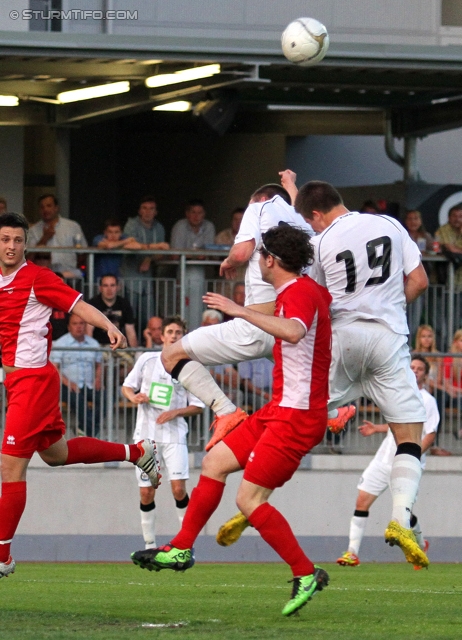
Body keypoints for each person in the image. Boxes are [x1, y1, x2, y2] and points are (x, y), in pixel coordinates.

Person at [132, 224, 332, 618]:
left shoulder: (299, 293)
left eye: (260, 256)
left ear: (271, 260)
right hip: (280, 409)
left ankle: (305, 572)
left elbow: (294, 331)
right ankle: (181, 548)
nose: (257, 263)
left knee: (248, 499)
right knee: (214, 462)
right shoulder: (304, 290)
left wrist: (240, 312)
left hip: (297, 417)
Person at [0, 212, 160, 579]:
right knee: (56, 455)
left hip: (34, 382)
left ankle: (2, 555)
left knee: (10, 467)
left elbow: (77, 305)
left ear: (26, 244)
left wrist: (107, 324)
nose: (11, 246)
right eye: (5, 239)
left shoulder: (38, 279)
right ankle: (137, 452)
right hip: (19, 382)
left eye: (17, 240)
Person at [293, 178, 430, 568]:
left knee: (303, 411)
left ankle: (252, 487)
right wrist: (388, 306)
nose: (314, 227)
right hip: (388, 337)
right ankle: (401, 518)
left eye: (311, 221)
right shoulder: (389, 224)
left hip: (344, 336)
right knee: (409, 434)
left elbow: (316, 300)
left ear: (316, 215)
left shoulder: (320, 243)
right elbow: (418, 280)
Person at [160, 182, 314, 450]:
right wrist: (291, 185)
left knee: (171, 355)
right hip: (289, 327)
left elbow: (242, 251)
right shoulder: (300, 219)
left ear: (261, 199)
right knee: (305, 382)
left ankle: (225, 410)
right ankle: (336, 412)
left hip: (256, 326)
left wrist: (230, 260)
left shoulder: (260, 208)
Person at [337, 356, 439, 568]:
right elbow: (399, 425)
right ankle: (352, 552)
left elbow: (429, 434)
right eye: (412, 367)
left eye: (420, 369)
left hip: (405, 465)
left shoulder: (427, 401)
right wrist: (377, 428)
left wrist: (412, 457)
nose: (415, 371)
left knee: (403, 512)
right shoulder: (399, 393)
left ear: (425, 375)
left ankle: (420, 545)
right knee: (361, 501)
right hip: (383, 459)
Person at [122, 316, 204, 549]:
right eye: (170, 331)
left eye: (179, 332)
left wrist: (175, 412)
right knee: (147, 492)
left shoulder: (190, 365)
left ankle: (185, 544)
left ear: (184, 335)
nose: (174, 336)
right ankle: (149, 544)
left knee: (178, 489)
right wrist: (134, 397)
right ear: (162, 335)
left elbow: (197, 405)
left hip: (175, 435)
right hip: (146, 436)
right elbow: (127, 386)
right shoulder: (147, 359)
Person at [121, 196, 169, 329]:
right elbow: (130, 245)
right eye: (145, 208)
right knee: (130, 315)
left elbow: (163, 252)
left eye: (151, 209)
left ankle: (147, 345)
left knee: (149, 317)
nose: (148, 212)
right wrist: (154, 246)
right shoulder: (131, 224)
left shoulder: (159, 228)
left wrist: (149, 258)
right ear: (139, 211)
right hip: (130, 277)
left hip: (148, 279)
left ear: (156, 212)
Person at [51, 313, 103, 437]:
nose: (79, 327)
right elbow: (54, 368)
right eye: (75, 324)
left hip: (89, 384)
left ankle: (82, 429)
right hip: (67, 386)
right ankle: (91, 435)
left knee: (106, 399)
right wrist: (68, 382)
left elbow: (99, 365)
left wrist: (98, 379)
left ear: (85, 326)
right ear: (69, 326)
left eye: (81, 323)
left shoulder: (93, 344)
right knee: (78, 400)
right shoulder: (61, 343)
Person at [27, 194, 87, 278]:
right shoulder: (33, 230)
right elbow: (28, 258)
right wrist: (44, 238)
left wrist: (76, 268)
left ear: (56, 208)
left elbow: (82, 252)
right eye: (42, 207)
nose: (45, 209)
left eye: (49, 206)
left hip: (69, 276)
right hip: (43, 277)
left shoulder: (72, 226)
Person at [412, 325, 450, 456]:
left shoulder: (437, 356)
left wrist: (436, 387)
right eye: (423, 336)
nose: (427, 340)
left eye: (429, 336)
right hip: (418, 389)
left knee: (440, 398)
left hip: (433, 391)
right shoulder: (414, 355)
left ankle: (434, 441)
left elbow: (438, 381)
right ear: (419, 339)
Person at [86, 274, 138, 348]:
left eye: (112, 285)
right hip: (98, 347)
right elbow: (88, 331)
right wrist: (90, 352)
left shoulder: (124, 304)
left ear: (118, 287)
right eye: (105, 285)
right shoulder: (93, 303)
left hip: (119, 346)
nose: (109, 289)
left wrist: (135, 353)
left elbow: (130, 332)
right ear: (100, 288)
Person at [435, 203, 462, 287]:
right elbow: (449, 247)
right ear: (449, 217)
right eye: (454, 216)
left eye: (460, 216)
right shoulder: (443, 230)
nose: (457, 219)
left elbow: (454, 249)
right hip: (447, 281)